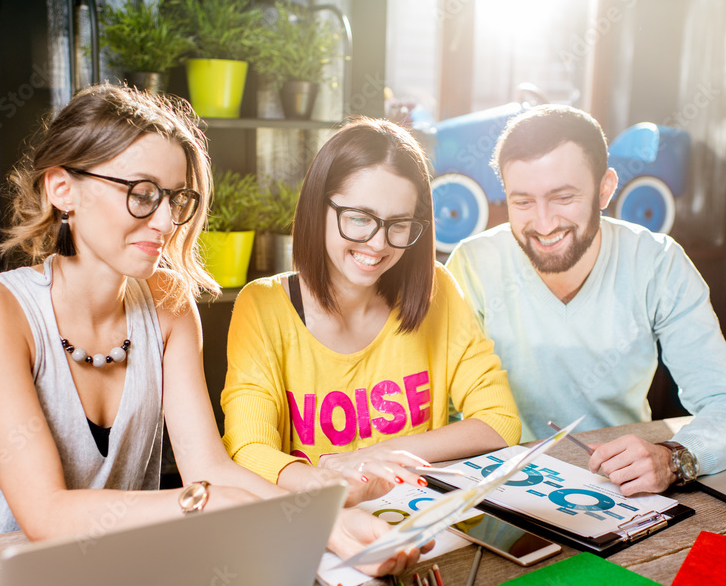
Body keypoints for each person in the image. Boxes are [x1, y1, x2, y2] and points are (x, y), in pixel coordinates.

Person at [0, 85, 418, 576]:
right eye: (141, 195)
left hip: (114, 579)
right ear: (62, 189)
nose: (165, 220)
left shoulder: (168, 304)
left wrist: (325, 521)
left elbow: (210, 468)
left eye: (175, 198)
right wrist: (203, 504)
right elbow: (46, 513)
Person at [445, 105, 726, 496]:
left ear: (605, 189)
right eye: (522, 202)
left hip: (622, 488)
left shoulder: (658, 263)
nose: (543, 225)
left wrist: (672, 457)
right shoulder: (473, 264)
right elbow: (445, 409)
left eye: (563, 197)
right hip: (498, 487)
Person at [221, 117, 520, 506]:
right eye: (359, 218)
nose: (378, 244)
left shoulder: (437, 289)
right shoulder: (262, 306)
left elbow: (499, 420)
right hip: (320, 527)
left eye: (398, 224)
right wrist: (337, 486)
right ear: (319, 207)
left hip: (418, 524)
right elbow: (248, 450)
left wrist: (375, 456)